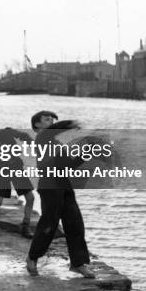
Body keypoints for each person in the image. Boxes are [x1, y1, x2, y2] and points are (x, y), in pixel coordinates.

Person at [25, 110, 94, 278]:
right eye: (47, 119)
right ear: (37, 125)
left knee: (75, 224)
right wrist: (71, 123)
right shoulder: (41, 139)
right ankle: (32, 258)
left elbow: (69, 166)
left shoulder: (56, 143)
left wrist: (88, 151)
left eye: (52, 120)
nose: (51, 122)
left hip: (64, 185)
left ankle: (77, 264)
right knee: (49, 224)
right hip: (49, 187)